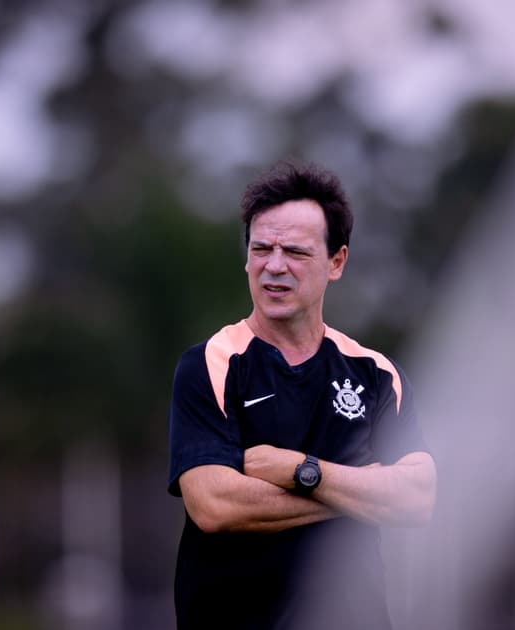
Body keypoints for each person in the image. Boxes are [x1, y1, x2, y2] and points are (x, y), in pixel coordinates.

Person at [167, 161, 437, 630]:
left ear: (337, 262)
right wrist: (357, 490)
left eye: (295, 251)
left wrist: (299, 472)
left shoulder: (376, 375)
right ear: (246, 257)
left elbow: (416, 498)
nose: (275, 265)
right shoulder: (210, 363)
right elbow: (214, 504)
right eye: (261, 248)